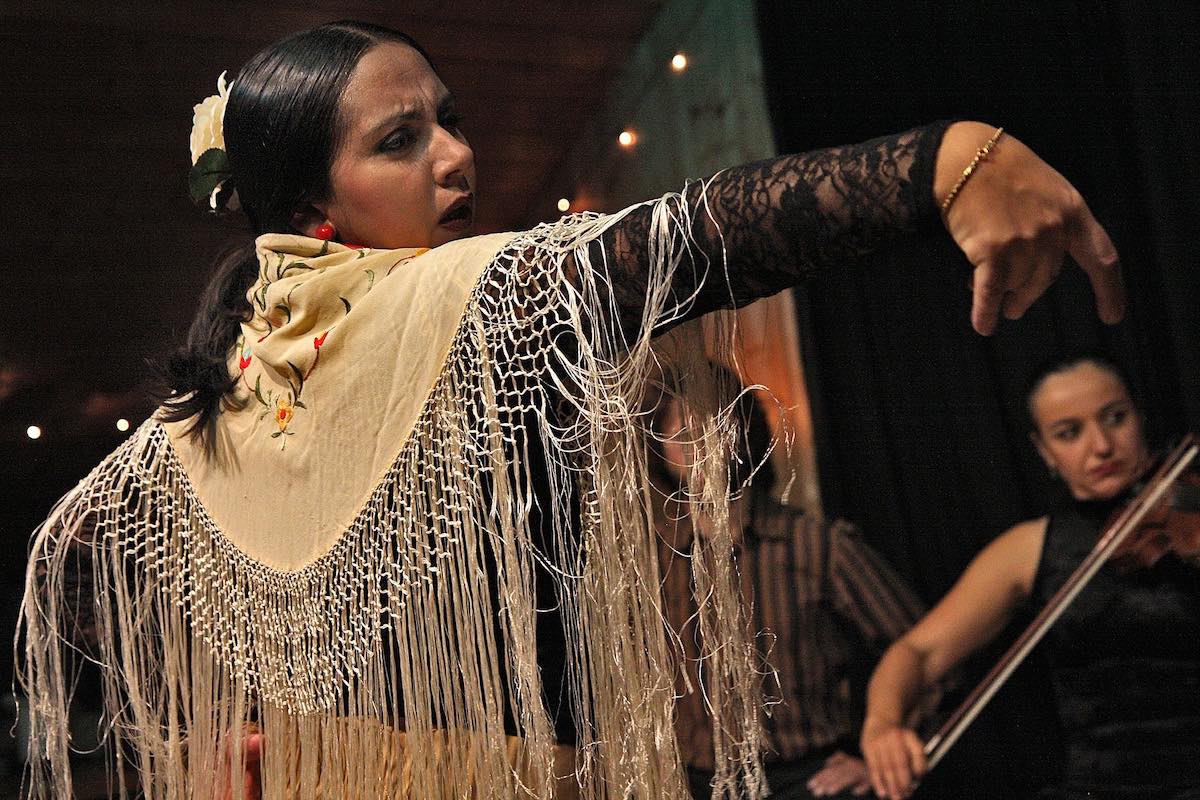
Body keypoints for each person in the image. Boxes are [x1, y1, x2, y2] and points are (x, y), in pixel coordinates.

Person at [18, 19, 1124, 800]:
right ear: (311, 198)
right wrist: (937, 167)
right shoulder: (457, 298)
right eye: (401, 140)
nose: (458, 156)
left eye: (447, 120)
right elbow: (686, 241)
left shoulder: (217, 400)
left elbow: (65, 552)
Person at [860, 353, 1200, 800]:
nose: (1100, 445)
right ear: (1045, 451)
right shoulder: (1030, 548)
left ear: (1139, 416)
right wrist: (882, 724)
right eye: (1069, 433)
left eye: (1115, 418)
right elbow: (917, 652)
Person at [651, 387, 941, 799]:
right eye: (682, 435)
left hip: (806, 778)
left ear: (741, 431)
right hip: (692, 782)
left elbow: (925, 649)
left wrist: (880, 755)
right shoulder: (653, 563)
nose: (699, 447)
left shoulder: (815, 544)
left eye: (712, 427)